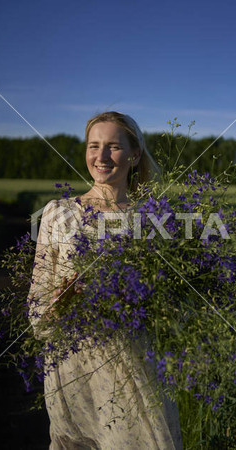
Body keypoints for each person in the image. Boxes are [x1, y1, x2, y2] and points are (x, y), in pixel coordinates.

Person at [28, 111, 182, 449]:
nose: (100, 156)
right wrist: (62, 299)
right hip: (74, 369)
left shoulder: (155, 218)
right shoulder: (58, 213)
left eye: (113, 147)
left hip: (133, 370)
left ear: (135, 154)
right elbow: (36, 311)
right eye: (93, 146)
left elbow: (175, 310)